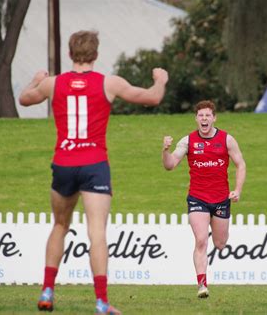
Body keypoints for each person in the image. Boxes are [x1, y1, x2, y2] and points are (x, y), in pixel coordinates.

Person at [19, 30, 168, 314]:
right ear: (96, 55)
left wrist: (37, 80)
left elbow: (25, 99)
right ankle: (101, 302)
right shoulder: (108, 83)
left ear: (69, 54)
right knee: (96, 232)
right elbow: (152, 98)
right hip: (94, 164)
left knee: (60, 226)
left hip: (63, 162)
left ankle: (47, 292)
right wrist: (160, 80)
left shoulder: (53, 84)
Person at [162, 100, 246, 298]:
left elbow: (240, 165)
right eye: (201, 116)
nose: (204, 119)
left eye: (208, 115)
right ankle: (202, 284)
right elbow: (170, 165)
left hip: (221, 199)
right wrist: (165, 150)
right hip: (197, 198)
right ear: (196, 119)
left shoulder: (227, 140)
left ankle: (214, 251)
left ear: (214, 118)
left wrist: (238, 190)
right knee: (201, 240)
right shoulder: (188, 141)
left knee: (220, 243)